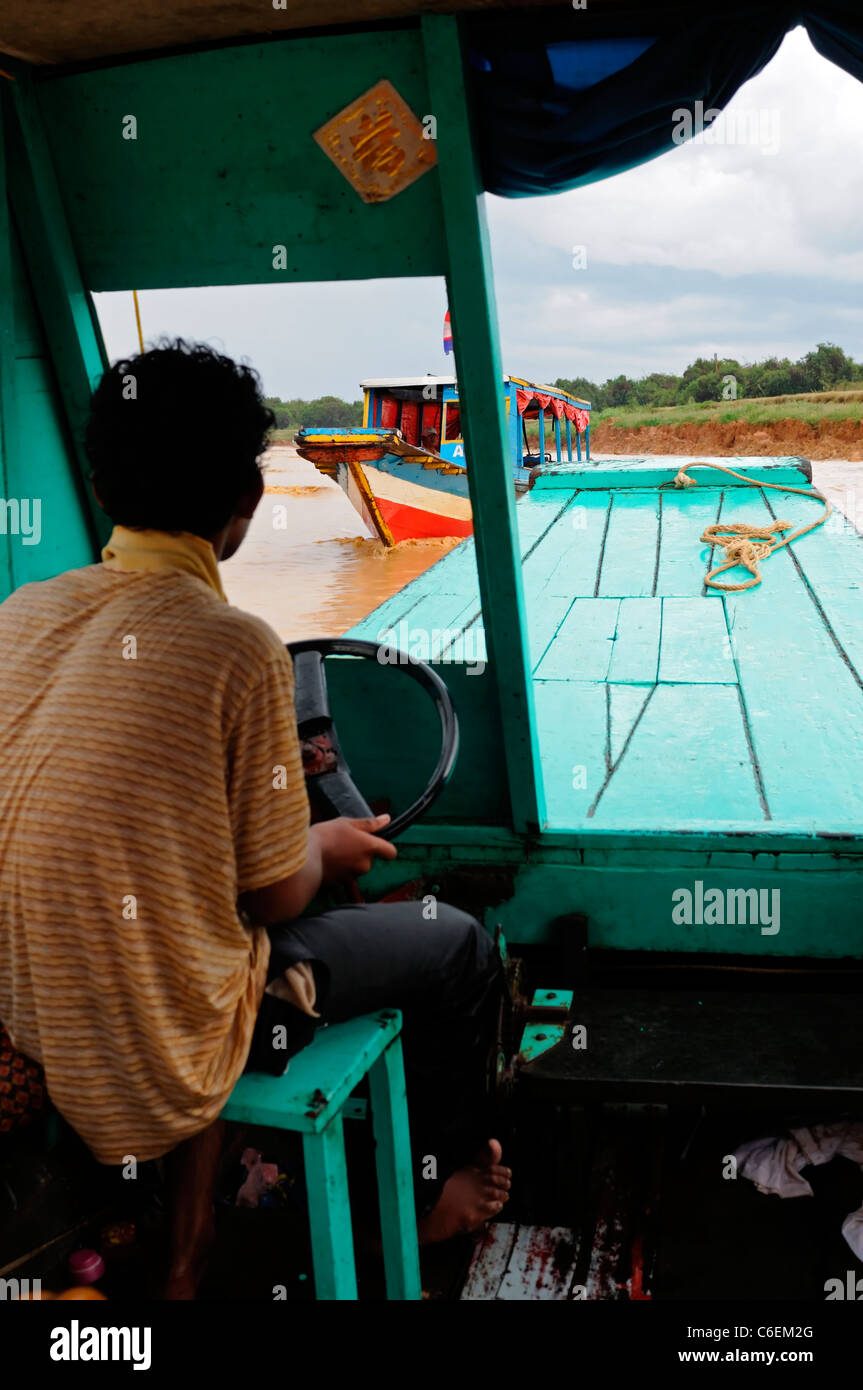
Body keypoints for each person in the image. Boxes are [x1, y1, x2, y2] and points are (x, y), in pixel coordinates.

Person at [0, 339, 510, 1298]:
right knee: (462, 947)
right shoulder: (235, 647)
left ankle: (213, 1218)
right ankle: (436, 1189)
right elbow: (274, 890)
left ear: (104, 481)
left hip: (46, 1025)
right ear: (245, 500)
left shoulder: (21, 615)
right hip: (160, 1048)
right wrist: (327, 840)